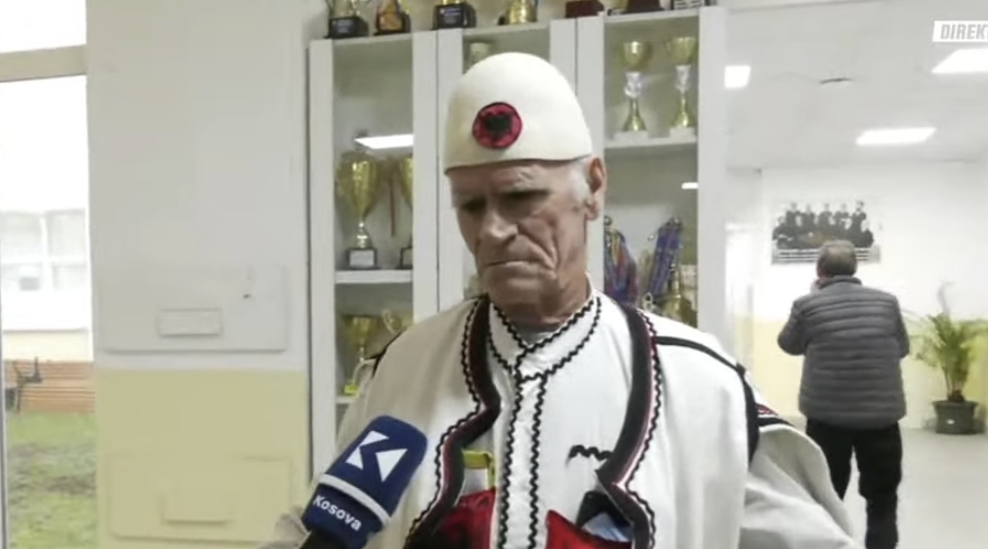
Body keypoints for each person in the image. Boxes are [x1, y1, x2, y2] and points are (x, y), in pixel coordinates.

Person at [262, 53, 860, 549]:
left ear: (593, 188)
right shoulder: (402, 370)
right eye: (471, 205)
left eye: (521, 198)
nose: (492, 230)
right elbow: (321, 527)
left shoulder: (702, 385)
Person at [777, 240, 909, 549]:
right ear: (855, 268)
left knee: (827, 495)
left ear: (819, 270)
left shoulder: (807, 305)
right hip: (882, 419)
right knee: (883, 498)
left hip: (827, 420)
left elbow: (788, 344)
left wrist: (815, 301)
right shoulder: (887, 303)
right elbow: (901, 348)